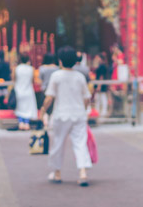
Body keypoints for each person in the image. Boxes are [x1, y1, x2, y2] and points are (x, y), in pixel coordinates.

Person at [39, 46, 92, 186]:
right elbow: (87, 97)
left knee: (58, 143)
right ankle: (83, 173)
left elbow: (49, 97)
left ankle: (57, 173)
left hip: (61, 114)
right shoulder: (80, 77)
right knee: (80, 143)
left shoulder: (56, 76)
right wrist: (84, 109)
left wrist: (43, 110)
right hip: (79, 114)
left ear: (60, 61)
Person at [13, 54, 38, 130]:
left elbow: (13, 79)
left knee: (20, 108)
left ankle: (21, 123)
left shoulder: (16, 68)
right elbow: (33, 80)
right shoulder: (31, 69)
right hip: (28, 90)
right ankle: (27, 123)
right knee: (28, 108)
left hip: (18, 90)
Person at [94, 52, 110, 117]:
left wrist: (99, 85)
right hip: (100, 84)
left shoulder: (102, 66)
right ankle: (99, 110)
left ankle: (103, 110)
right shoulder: (101, 65)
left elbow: (101, 76)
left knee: (102, 97)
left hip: (101, 84)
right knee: (99, 97)